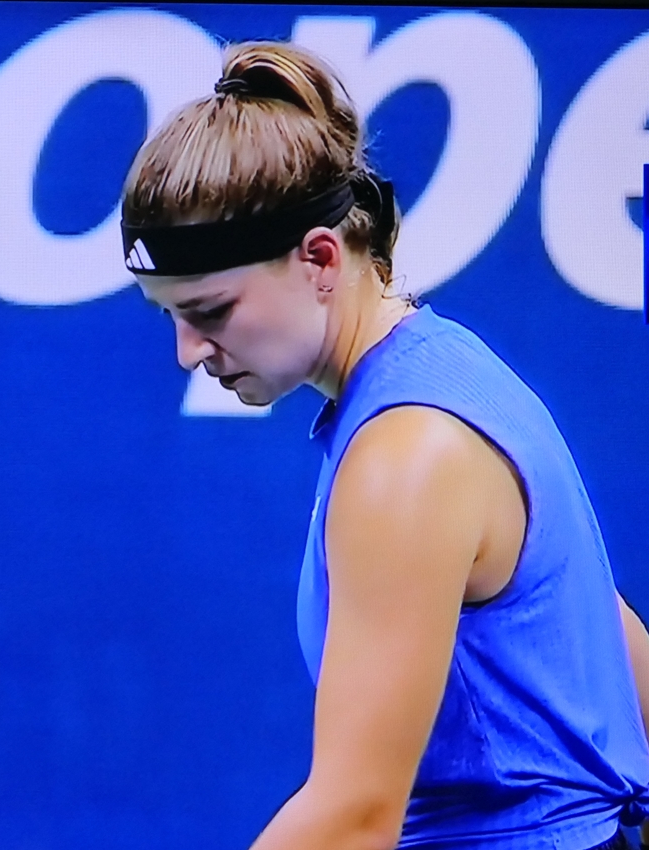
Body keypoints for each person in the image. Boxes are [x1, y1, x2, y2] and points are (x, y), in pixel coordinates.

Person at [119, 41, 649, 850]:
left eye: (212, 310)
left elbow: (354, 817)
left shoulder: (406, 457)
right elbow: (597, 634)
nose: (189, 352)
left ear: (320, 258)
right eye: (170, 314)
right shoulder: (452, 375)